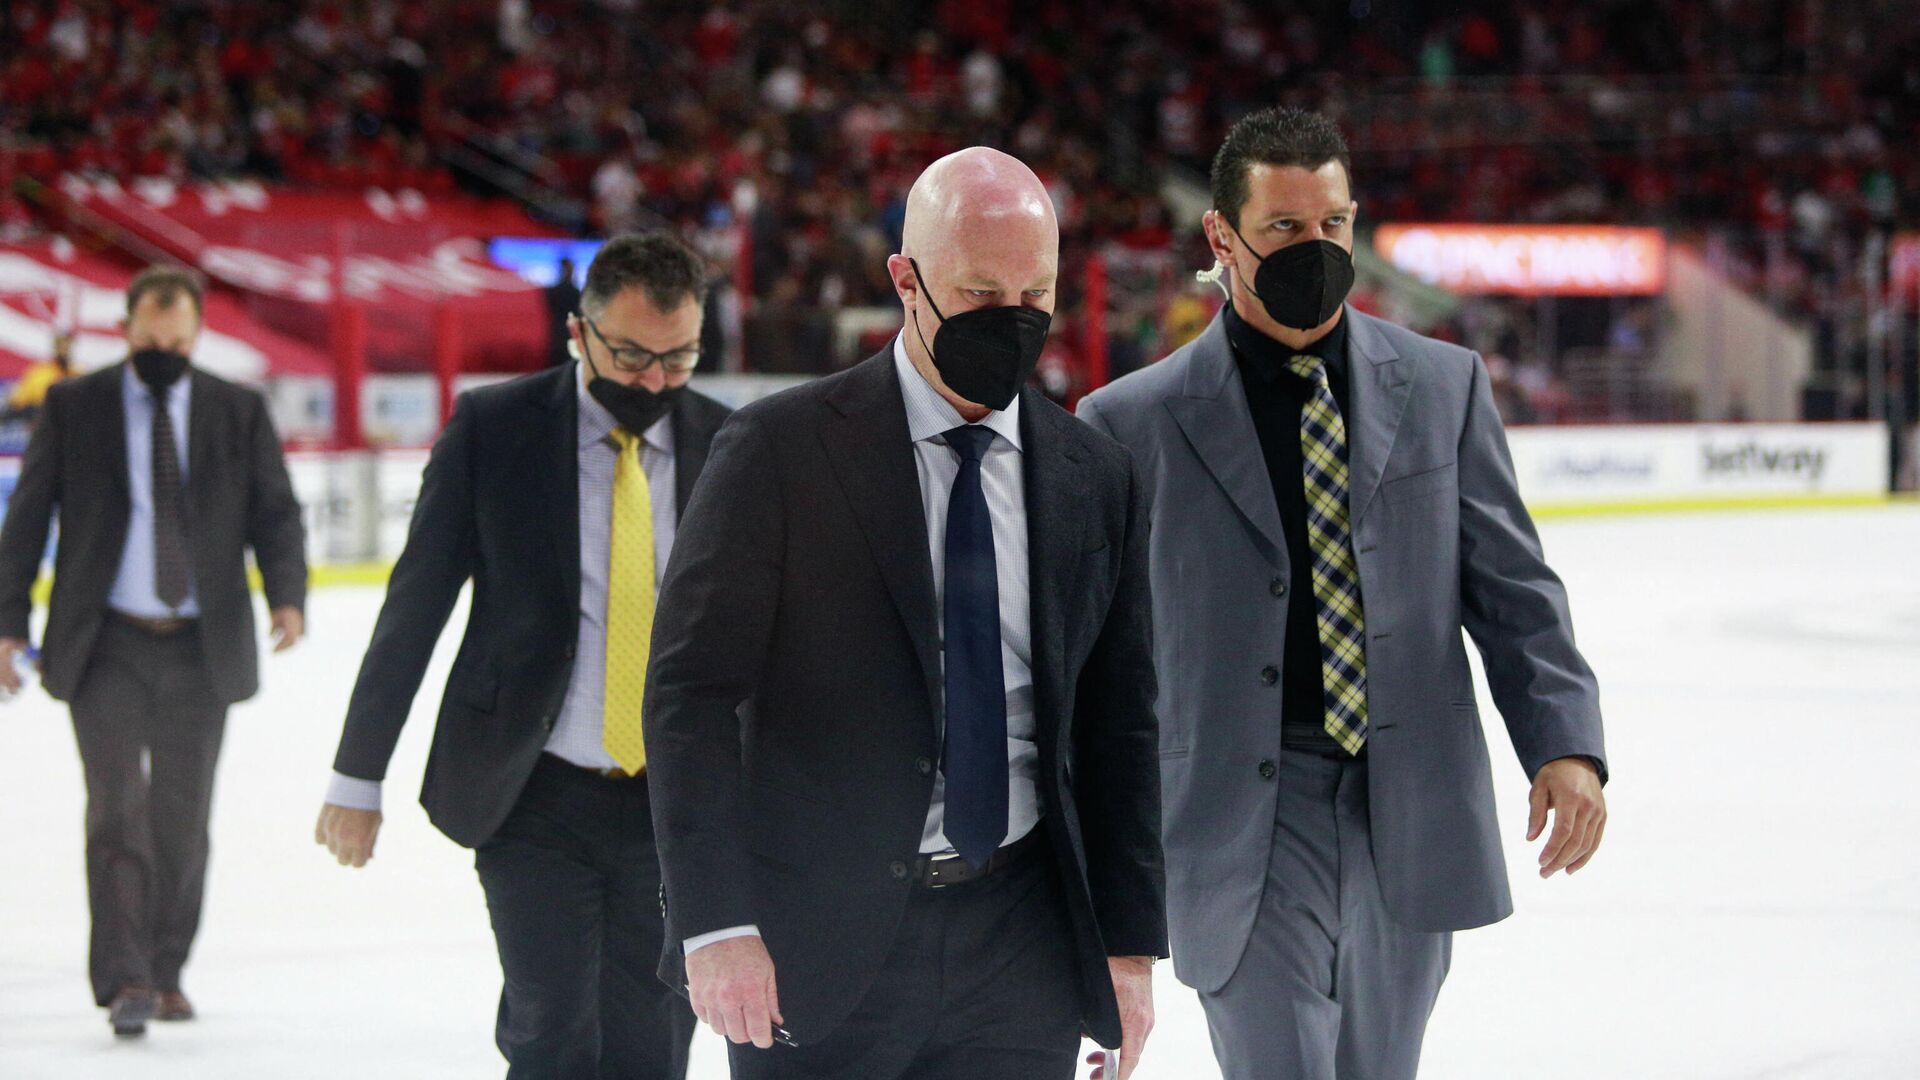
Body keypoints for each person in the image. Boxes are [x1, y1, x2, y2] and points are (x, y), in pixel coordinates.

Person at [1077, 106, 1609, 1080]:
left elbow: (1513, 588)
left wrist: (1565, 742)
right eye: (1284, 226)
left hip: (1407, 802)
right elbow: (1098, 665)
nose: (1314, 246)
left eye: (1333, 222)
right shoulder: (1129, 423)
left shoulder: (1443, 386)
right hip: (1236, 816)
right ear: (1222, 237)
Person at [644, 146, 1165, 1080]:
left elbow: (1119, 719)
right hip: (818, 946)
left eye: (1035, 294)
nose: (1012, 317)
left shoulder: (1096, 473)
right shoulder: (778, 450)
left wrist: (1127, 949)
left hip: (1025, 945)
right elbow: (691, 695)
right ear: (905, 279)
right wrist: (715, 924)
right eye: (979, 292)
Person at [316, 232, 729, 1080]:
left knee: (654, 1041)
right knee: (552, 1029)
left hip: (676, 803)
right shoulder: (494, 429)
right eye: (632, 355)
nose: (654, 380)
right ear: (578, 331)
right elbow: (415, 607)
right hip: (533, 791)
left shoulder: (729, 443)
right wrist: (358, 774)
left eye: (678, 357)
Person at [0, 265, 308, 1038]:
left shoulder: (237, 409)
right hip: (104, 641)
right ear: (127, 329)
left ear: (196, 335)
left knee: (181, 816)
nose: (164, 352)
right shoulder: (76, 405)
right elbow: (27, 519)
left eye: (178, 342)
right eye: (150, 339)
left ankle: (167, 970)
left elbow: (275, 510)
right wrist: (8, 622)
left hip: (201, 647)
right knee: (115, 810)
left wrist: (287, 594)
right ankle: (126, 979)